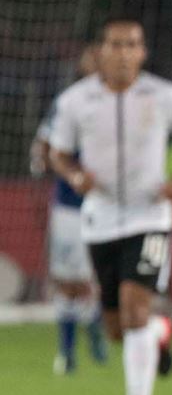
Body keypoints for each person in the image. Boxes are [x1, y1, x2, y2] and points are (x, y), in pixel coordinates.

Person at [47, 17, 172, 395]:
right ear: (101, 51)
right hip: (99, 218)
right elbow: (57, 152)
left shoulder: (164, 95)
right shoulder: (77, 100)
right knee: (119, 328)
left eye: (131, 44)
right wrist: (75, 175)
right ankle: (160, 332)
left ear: (142, 51)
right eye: (115, 44)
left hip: (150, 216)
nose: (123, 52)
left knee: (135, 311)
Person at [29, 43, 106, 374]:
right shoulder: (68, 101)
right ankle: (67, 350)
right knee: (67, 280)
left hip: (112, 204)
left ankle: (95, 326)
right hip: (70, 205)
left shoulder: (127, 101)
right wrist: (41, 160)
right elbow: (44, 144)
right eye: (93, 55)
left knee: (105, 278)